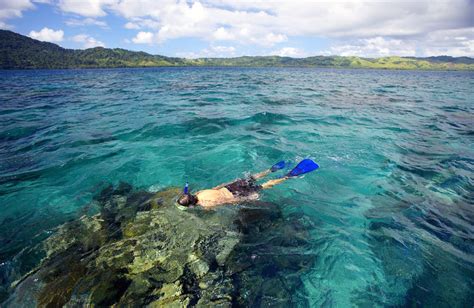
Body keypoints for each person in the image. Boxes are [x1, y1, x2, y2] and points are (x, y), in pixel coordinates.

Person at [177, 159, 319, 208]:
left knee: (263, 186)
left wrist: (246, 199)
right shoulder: (200, 192)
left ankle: (287, 177)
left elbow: (228, 202)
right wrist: (233, 181)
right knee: (253, 178)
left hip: (235, 193)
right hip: (231, 186)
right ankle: (271, 169)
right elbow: (218, 187)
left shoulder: (206, 203)